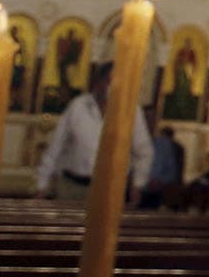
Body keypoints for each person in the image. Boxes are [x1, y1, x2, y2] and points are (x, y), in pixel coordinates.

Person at [34, 61, 146, 206]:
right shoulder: (78, 106)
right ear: (98, 82)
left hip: (109, 189)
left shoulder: (131, 111)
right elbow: (56, 146)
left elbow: (143, 150)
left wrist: (137, 184)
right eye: (108, 81)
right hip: (73, 186)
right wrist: (41, 184)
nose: (111, 87)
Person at [142, 115, 186, 209]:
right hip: (142, 186)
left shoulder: (164, 144)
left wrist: (159, 181)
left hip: (159, 187)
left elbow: (172, 168)